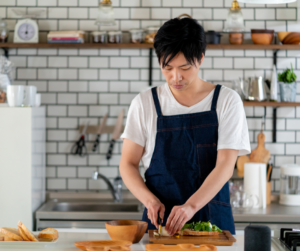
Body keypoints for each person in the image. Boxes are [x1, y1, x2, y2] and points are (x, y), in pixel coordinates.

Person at [119, 17, 251, 236]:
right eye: (167, 67)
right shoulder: (144, 104)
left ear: (200, 58)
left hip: (212, 225)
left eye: (184, 68)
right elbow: (127, 164)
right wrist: (149, 201)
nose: (175, 77)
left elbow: (225, 166)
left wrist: (190, 207)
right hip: (161, 227)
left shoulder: (227, 101)